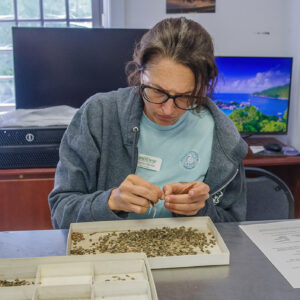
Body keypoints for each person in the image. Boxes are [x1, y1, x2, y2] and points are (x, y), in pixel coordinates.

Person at [49, 17, 248, 229]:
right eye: (156, 91)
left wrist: (200, 209)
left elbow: (234, 229)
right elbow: (61, 213)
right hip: (111, 258)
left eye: (185, 97)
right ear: (140, 73)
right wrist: (111, 202)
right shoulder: (98, 115)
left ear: (203, 87)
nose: (168, 109)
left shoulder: (224, 139)